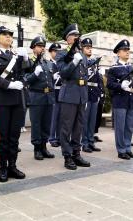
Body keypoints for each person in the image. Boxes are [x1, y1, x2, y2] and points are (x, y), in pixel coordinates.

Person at [0, 26, 28, 182]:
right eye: (5, 35)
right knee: (2, 135)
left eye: (11, 35)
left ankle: (13, 166)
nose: (9, 37)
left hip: (16, 99)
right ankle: (3, 167)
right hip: (1, 99)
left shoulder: (16, 55)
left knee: (14, 135)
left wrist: (25, 59)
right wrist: (9, 85)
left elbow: (25, 72)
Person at [56, 23, 91, 170]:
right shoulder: (62, 54)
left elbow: (84, 76)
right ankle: (67, 156)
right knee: (66, 127)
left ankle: (76, 153)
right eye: (74, 35)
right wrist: (74, 62)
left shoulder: (82, 54)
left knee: (78, 127)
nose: (77, 38)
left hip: (81, 95)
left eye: (78, 35)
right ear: (67, 38)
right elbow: (64, 73)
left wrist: (85, 96)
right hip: (69, 94)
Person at [24, 36, 55, 160]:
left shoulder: (47, 63)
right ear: (33, 48)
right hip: (36, 96)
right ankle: (37, 148)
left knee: (46, 124)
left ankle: (44, 147)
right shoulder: (29, 62)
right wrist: (34, 74)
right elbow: (26, 80)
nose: (42, 48)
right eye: (39, 46)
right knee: (36, 124)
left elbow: (50, 80)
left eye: (43, 46)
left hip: (48, 96)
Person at [107, 39, 133, 159]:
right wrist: (120, 86)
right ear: (118, 53)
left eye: (128, 50)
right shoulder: (114, 68)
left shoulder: (131, 67)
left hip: (130, 100)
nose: (127, 52)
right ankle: (121, 150)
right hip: (119, 101)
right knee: (120, 127)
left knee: (129, 126)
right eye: (124, 50)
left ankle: (127, 148)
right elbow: (109, 84)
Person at [81, 38, 102, 153]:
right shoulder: (81, 61)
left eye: (90, 47)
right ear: (82, 48)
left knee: (92, 120)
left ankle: (90, 141)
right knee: (85, 120)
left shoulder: (94, 61)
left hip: (94, 93)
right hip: (85, 92)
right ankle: (84, 143)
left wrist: (99, 93)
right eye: (87, 47)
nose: (89, 49)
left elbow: (98, 79)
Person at [48, 43, 62, 147]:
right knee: (53, 116)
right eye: (55, 51)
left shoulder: (61, 63)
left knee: (61, 116)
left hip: (62, 92)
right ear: (51, 52)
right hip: (53, 92)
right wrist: (53, 77)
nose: (57, 53)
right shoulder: (48, 64)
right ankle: (52, 138)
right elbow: (46, 80)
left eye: (58, 51)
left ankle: (59, 137)